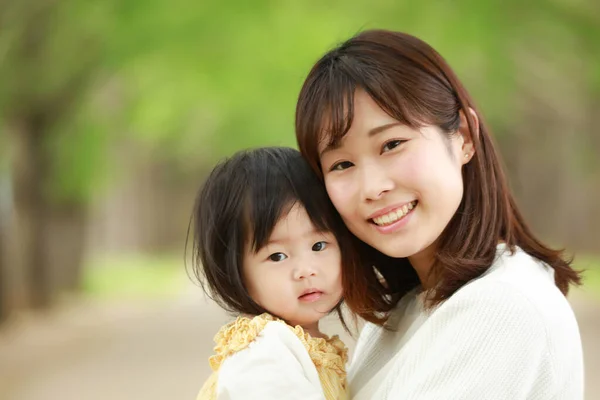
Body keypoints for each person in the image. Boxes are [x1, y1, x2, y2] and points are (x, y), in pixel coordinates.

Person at [295, 29, 584, 399]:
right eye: (341, 164)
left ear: (463, 135)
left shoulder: (502, 305)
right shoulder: (410, 307)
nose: (372, 187)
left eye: (392, 144)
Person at [191, 147, 359, 400]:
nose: (305, 271)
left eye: (318, 246)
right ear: (234, 270)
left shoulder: (295, 345)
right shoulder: (265, 352)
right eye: (277, 256)